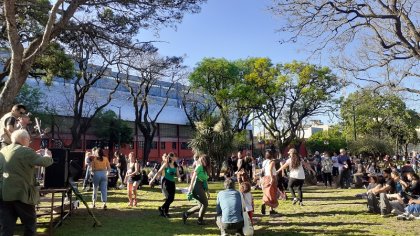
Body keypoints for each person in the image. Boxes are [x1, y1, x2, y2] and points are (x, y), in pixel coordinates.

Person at [0, 129, 53, 236]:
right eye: (29, 139)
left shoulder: (3, 150)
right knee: (30, 225)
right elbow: (44, 162)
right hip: (22, 194)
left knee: (6, 226)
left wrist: (34, 154)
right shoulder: (26, 151)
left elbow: (17, 159)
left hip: (5, 193)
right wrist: (48, 156)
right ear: (24, 139)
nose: (29, 141)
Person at [150, 153, 180, 217]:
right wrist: (152, 180)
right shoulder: (166, 164)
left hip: (172, 183)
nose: (176, 158)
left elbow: (178, 174)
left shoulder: (175, 165)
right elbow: (158, 172)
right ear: (171, 157)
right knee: (169, 198)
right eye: (175, 156)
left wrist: (179, 178)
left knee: (171, 198)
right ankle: (166, 213)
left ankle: (162, 208)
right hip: (166, 182)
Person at [183, 154, 210, 225]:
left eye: (207, 161)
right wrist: (190, 188)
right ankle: (200, 220)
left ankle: (186, 214)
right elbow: (193, 177)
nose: (205, 162)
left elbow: (205, 180)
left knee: (201, 206)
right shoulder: (199, 166)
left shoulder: (204, 168)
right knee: (205, 204)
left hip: (201, 186)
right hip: (197, 186)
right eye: (204, 160)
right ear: (201, 160)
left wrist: (207, 191)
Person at [260, 150, 279, 216]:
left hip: (265, 178)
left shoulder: (264, 162)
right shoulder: (272, 161)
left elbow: (262, 170)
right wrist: (272, 178)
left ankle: (264, 203)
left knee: (266, 193)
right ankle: (271, 209)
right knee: (272, 193)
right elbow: (270, 169)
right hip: (270, 177)